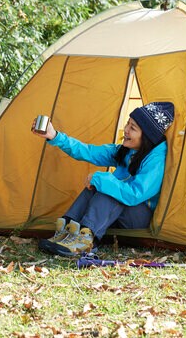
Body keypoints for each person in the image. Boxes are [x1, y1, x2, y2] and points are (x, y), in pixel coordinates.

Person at [31, 102, 174, 257]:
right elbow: (88, 151)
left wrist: (101, 179)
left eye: (132, 128)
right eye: (128, 123)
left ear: (146, 136)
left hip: (138, 217)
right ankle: (68, 231)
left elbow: (135, 194)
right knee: (98, 186)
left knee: (108, 188)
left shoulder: (157, 160)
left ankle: (87, 241)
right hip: (117, 213)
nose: (126, 130)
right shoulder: (127, 150)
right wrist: (55, 136)